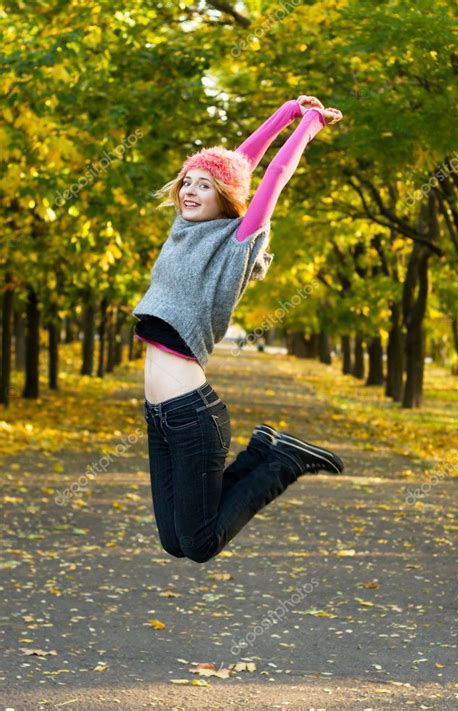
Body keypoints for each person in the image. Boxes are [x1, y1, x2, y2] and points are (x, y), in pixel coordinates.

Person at [131, 95, 344, 564]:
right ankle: (265, 451)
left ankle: (283, 462)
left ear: (225, 198)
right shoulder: (182, 230)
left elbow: (270, 176)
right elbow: (239, 162)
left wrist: (307, 125)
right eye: (187, 181)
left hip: (192, 416)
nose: (189, 190)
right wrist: (283, 112)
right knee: (175, 542)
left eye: (203, 186)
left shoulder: (238, 243)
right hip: (159, 416)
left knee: (201, 544)